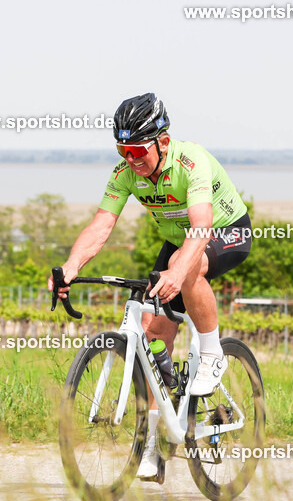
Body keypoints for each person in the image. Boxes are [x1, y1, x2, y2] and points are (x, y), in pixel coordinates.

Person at [49, 93, 252, 479]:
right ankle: (154, 447)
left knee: (183, 267)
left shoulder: (191, 162)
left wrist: (179, 273)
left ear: (162, 140)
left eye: (138, 150)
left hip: (226, 232)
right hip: (179, 241)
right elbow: (102, 225)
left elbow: (201, 227)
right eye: (123, 150)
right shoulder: (125, 173)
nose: (131, 160)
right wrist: (71, 266)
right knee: (150, 333)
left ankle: (211, 354)